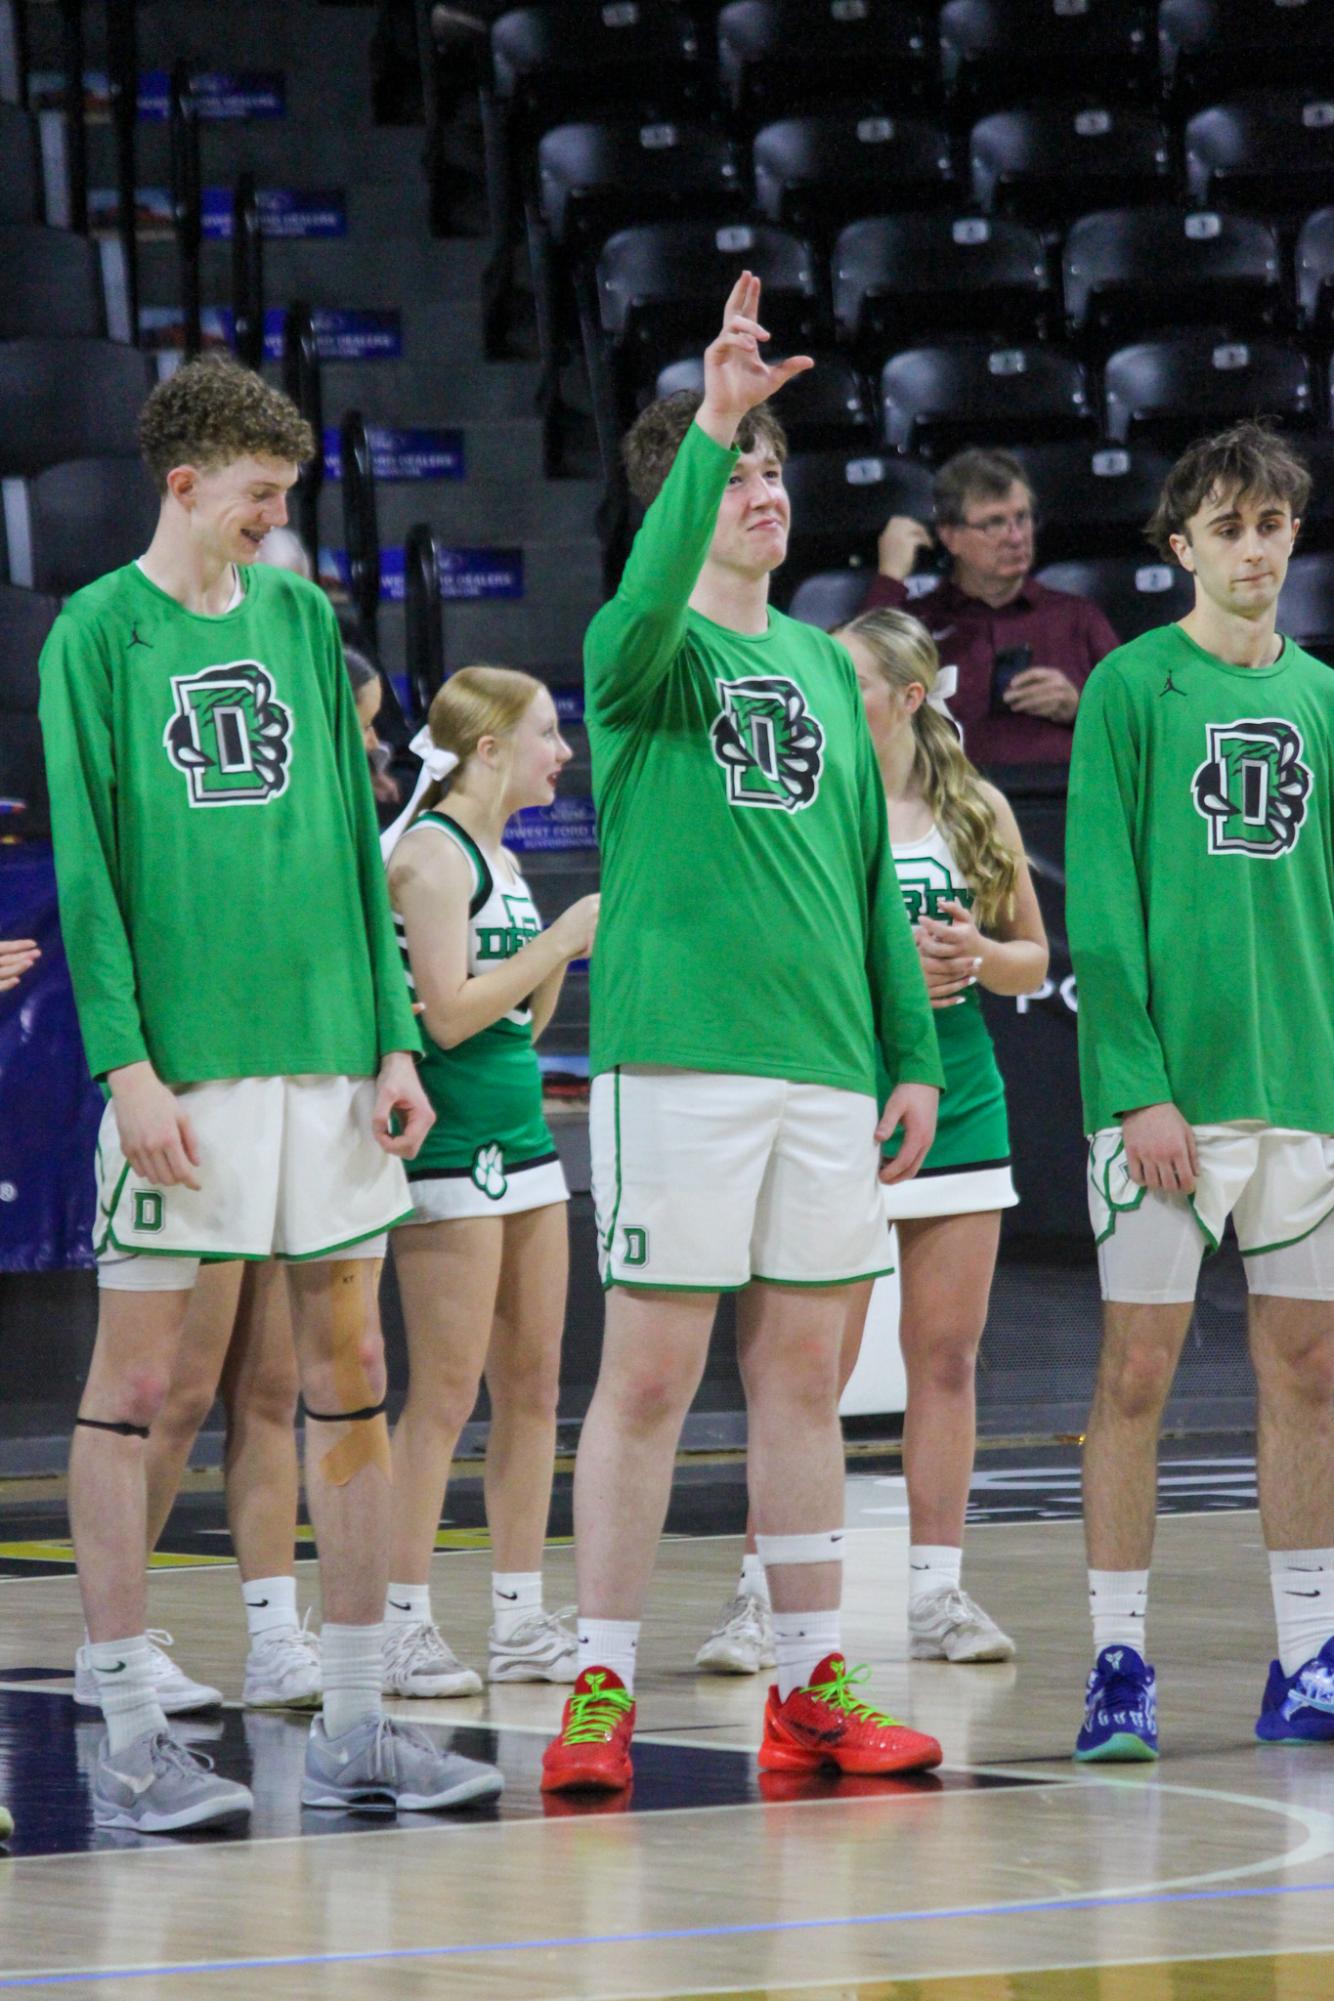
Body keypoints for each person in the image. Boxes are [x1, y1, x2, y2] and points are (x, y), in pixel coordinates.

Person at [40, 353, 501, 1829]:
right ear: (184, 483)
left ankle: (360, 1721)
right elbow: (90, 870)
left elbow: (346, 846)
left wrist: (392, 1039)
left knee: (350, 1375)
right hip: (189, 1067)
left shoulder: (304, 622)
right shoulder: (95, 634)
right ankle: (125, 1736)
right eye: (257, 497)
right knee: (140, 1392)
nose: (274, 523)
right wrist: (124, 1066)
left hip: (330, 1062)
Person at [541, 275, 946, 1795]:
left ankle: (808, 1687)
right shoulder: (639, 653)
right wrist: (708, 419)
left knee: (801, 1382)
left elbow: (863, 881)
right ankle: (596, 1690)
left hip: (825, 1067)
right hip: (678, 1061)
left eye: (778, 465)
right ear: (686, 493)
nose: (767, 486)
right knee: (645, 1378)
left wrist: (904, 1049)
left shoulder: (827, 679)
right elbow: (646, 598)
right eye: (739, 467)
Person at [695, 608, 1048, 1676]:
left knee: (943, 1356)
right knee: (807, 1369)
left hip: (960, 1095)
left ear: (906, 696)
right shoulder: (802, 800)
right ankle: (759, 1597)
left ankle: (937, 1596)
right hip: (835, 1096)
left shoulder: (972, 808)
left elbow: (1032, 959)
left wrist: (976, 954)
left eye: (844, 677)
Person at [1066, 421, 1334, 1761]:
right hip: (1166, 1097)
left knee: (1307, 1371)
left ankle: (1305, 1660)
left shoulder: (1325, 697)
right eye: (1224, 527)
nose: (1250, 547)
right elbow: (1100, 907)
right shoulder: (1128, 687)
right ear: (1180, 547)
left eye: (1269, 524)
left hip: (1302, 1084)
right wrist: (1133, 1087)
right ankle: (1117, 1658)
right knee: (1136, 1372)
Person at [380, 668, 598, 1696]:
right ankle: (399, 1622)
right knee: (443, 1394)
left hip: (523, 1140)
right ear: (488, 749)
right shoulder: (430, 856)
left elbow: (520, 1026)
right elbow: (449, 1015)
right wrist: (558, 940)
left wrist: (553, 954)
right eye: (548, 733)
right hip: (450, 1144)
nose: (564, 752)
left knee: (534, 1384)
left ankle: (517, 1618)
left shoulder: (503, 860)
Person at [865, 447, 1119, 767]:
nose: (1016, 537)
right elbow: (854, 695)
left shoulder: (1076, 618)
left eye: (1022, 518)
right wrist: (889, 578)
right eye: (994, 523)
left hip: (1062, 801)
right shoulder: (919, 624)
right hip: (950, 803)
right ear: (950, 536)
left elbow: (1138, 729)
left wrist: (1080, 707)